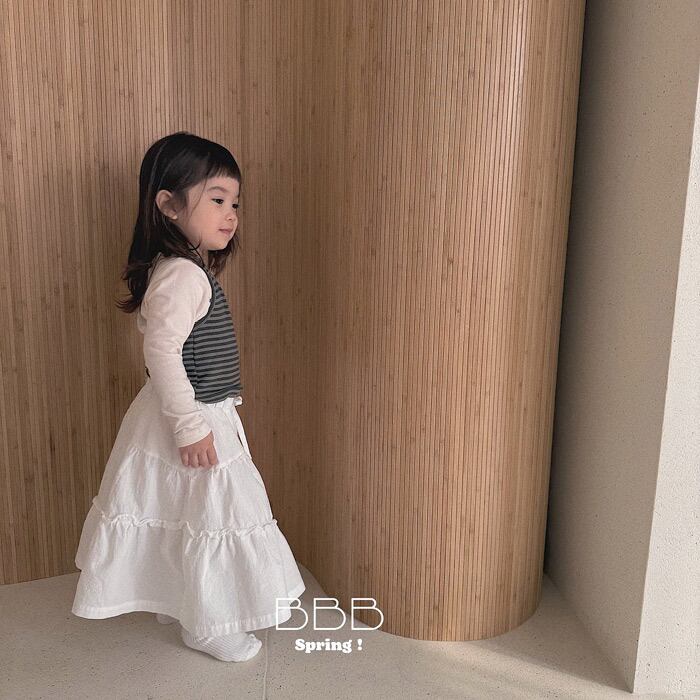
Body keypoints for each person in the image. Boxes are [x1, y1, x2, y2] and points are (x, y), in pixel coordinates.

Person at [71, 132, 305, 662]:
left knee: (182, 509)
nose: (231, 214)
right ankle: (207, 622)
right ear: (169, 205)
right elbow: (162, 351)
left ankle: (180, 598)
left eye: (235, 203)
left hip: (186, 412)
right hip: (190, 413)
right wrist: (190, 425)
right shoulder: (182, 274)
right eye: (217, 199)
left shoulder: (182, 269)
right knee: (212, 514)